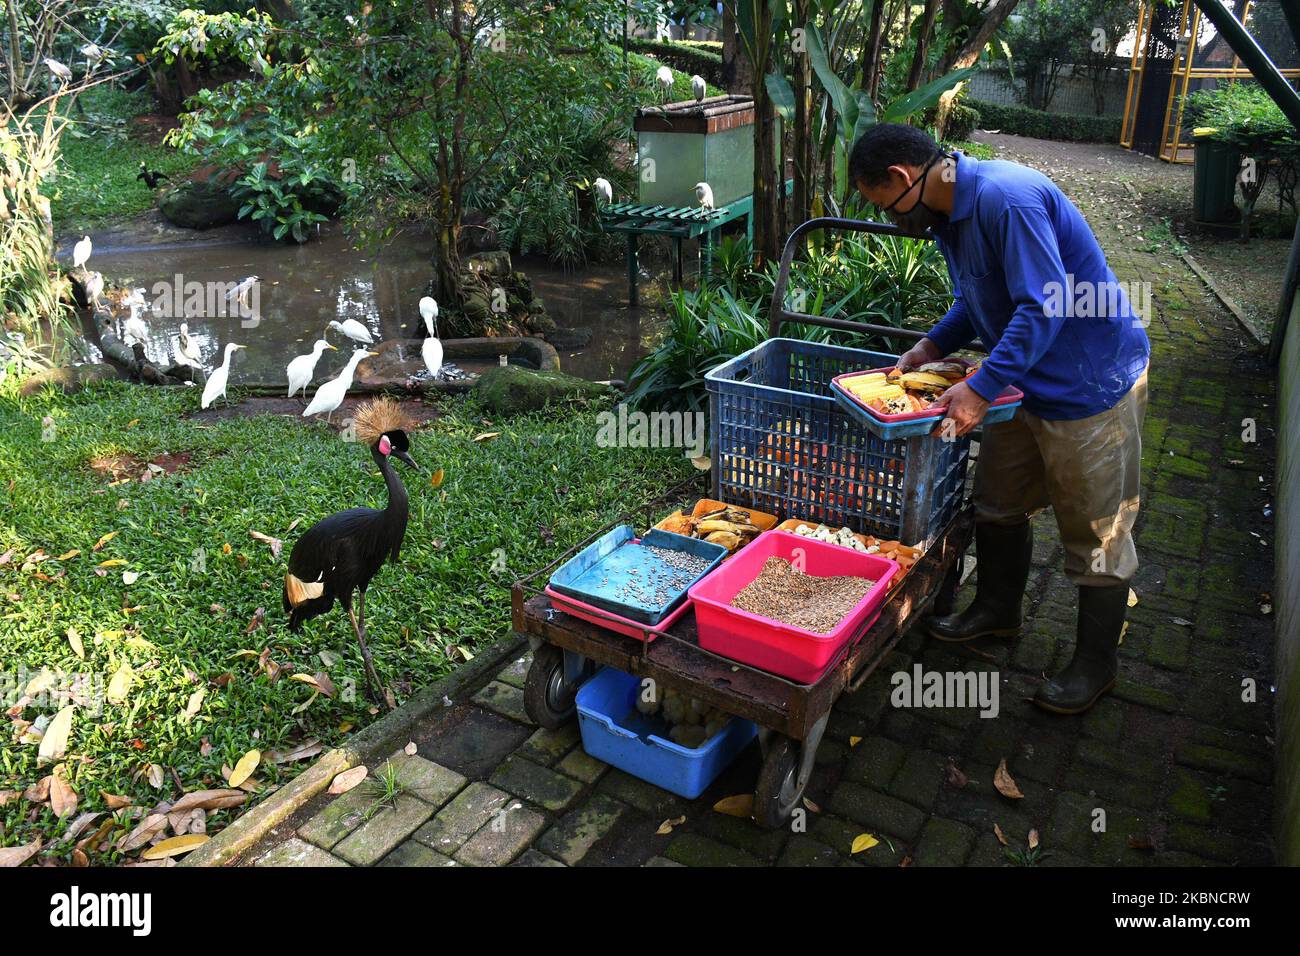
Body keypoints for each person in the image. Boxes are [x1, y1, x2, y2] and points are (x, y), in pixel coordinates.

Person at [849, 124, 1151, 715]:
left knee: (1097, 533)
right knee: (998, 501)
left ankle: (1096, 665)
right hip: (1022, 379)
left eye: (883, 205)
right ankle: (998, 609)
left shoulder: (1002, 200)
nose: (889, 219)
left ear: (903, 178)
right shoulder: (948, 214)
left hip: (1089, 382)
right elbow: (977, 295)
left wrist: (978, 388)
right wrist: (931, 347)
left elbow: (1046, 303)